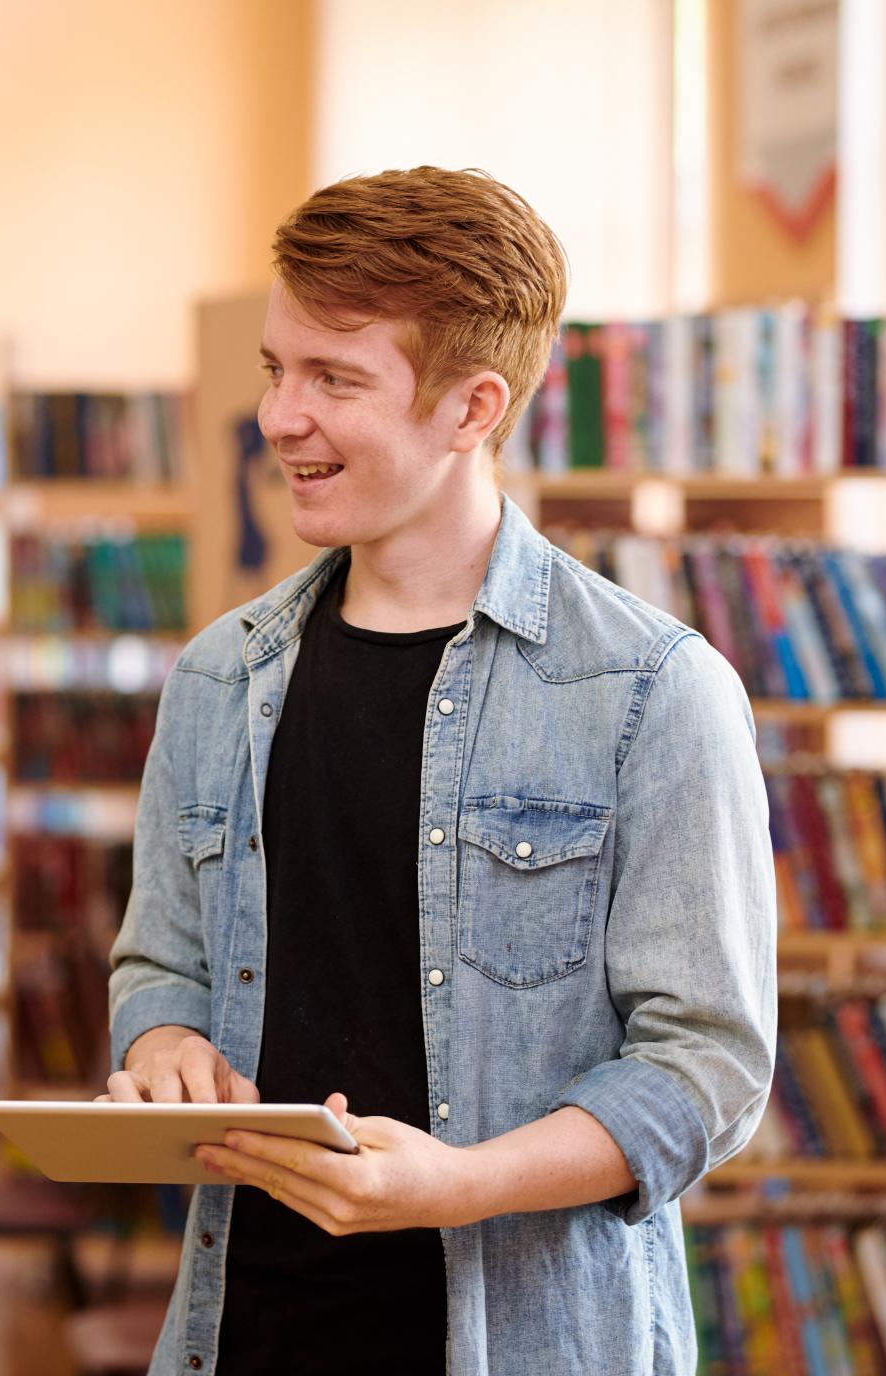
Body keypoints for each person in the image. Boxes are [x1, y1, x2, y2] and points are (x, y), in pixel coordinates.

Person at [103, 168, 775, 1375]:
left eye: (334, 379)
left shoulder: (653, 692)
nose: (278, 417)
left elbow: (706, 1068)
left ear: (474, 408)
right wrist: (161, 1046)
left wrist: (463, 1185)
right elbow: (164, 964)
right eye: (274, 367)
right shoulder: (216, 677)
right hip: (239, 1331)